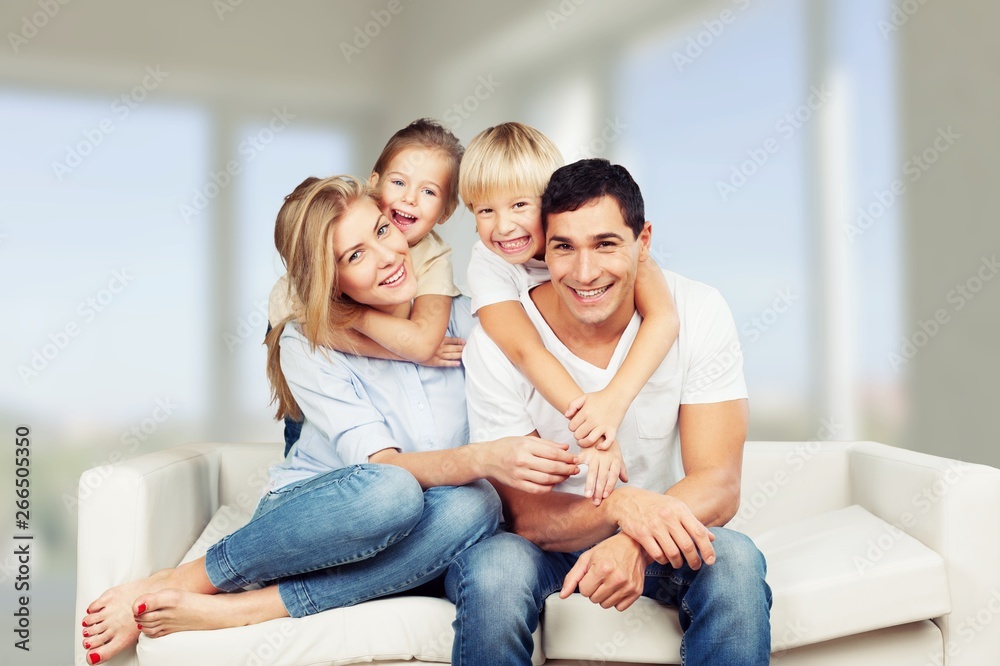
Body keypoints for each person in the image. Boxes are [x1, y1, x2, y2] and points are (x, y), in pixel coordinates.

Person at [80, 176, 581, 666]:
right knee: (392, 490)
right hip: (323, 519)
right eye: (354, 256)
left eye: (382, 231)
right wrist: (481, 457)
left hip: (434, 531)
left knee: (477, 504)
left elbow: (568, 290)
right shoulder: (308, 343)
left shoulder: (472, 319)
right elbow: (387, 467)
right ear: (330, 278)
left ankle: (253, 608)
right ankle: (180, 580)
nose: (386, 257)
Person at [447, 159, 772, 665]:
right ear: (542, 247)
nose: (584, 272)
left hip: (660, 534)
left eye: (605, 244)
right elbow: (527, 516)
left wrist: (635, 542)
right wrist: (619, 507)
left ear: (643, 242)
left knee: (733, 560)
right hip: (548, 545)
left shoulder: (699, 309)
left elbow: (719, 483)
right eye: (564, 247)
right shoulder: (497, 342)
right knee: (495, 568)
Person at [459, 122, 680, 503]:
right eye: (485, 210)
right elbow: (526, 350)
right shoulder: (488, 264)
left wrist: (613, 401)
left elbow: (664, 318)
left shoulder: (601, 238)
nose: (503, 225)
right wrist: (594, 431)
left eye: (519, 205)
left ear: (549, 203)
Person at [270, 119, 468, 455]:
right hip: (316, 395)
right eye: (399, 182)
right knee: (309, 442)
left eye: (429, 191)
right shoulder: (319, 256)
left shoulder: (433, 257)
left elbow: (421, 344)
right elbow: (305, 330)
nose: (409, 199)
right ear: (374, 185)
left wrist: (353, 318)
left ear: (446, 212)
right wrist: (364, 322)